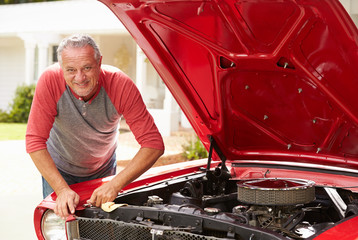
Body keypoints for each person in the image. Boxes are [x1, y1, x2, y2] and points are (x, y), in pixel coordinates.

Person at [26, 34, 164, 219]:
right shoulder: (50, 81)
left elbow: (153, 144)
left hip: (102, 170)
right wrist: (61, 189)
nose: (80, 77)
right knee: (60, 228)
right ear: (61, 68)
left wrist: (115, 184)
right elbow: (34, 142)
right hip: (59, 169)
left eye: (87, 67)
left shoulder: (120, 85)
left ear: (99, 62)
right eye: (71, 70)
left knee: (100, 228)